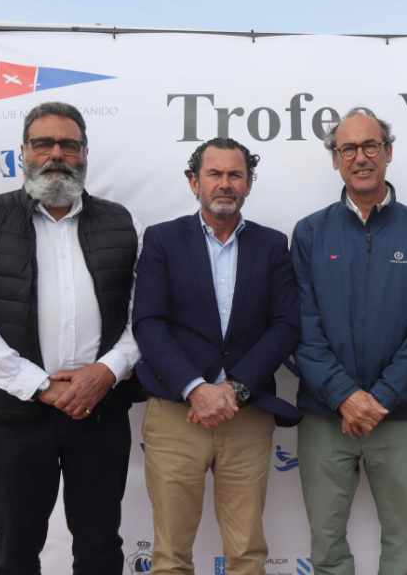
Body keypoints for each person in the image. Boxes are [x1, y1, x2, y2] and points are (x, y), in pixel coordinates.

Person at [0, 101, 141, 574]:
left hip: (99, 412)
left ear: (85, 153)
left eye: (68, 144)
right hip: (14, 416)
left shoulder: (119, 223)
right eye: (43, 143)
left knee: (99, 545)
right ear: (23, 152)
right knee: (16, 549)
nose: (56, 154)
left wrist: (105, 372)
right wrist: (41, 385)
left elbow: (141, 316)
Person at [291, 107, 407, 575]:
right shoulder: (310, 232)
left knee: (403, 544)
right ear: (335, 160)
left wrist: (381, 397)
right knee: (326, 544)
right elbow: (302, 325)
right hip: (325, 415)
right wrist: (343, 395)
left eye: (370, 146)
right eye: (348, 149)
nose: (360, 157)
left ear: (388, 152)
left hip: (399, 415)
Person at [133, 137, 300, 575]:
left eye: (235, 175)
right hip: (176, 414)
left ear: (248, 184)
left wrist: (235, 388)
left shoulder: (272, 244)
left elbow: (285, 325)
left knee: (246, 552)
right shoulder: (162, 240)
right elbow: (148, 322)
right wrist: (196, 388)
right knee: (170, 555)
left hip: (246, 413)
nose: (224, 184)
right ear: (194, 182)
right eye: (214, 174)